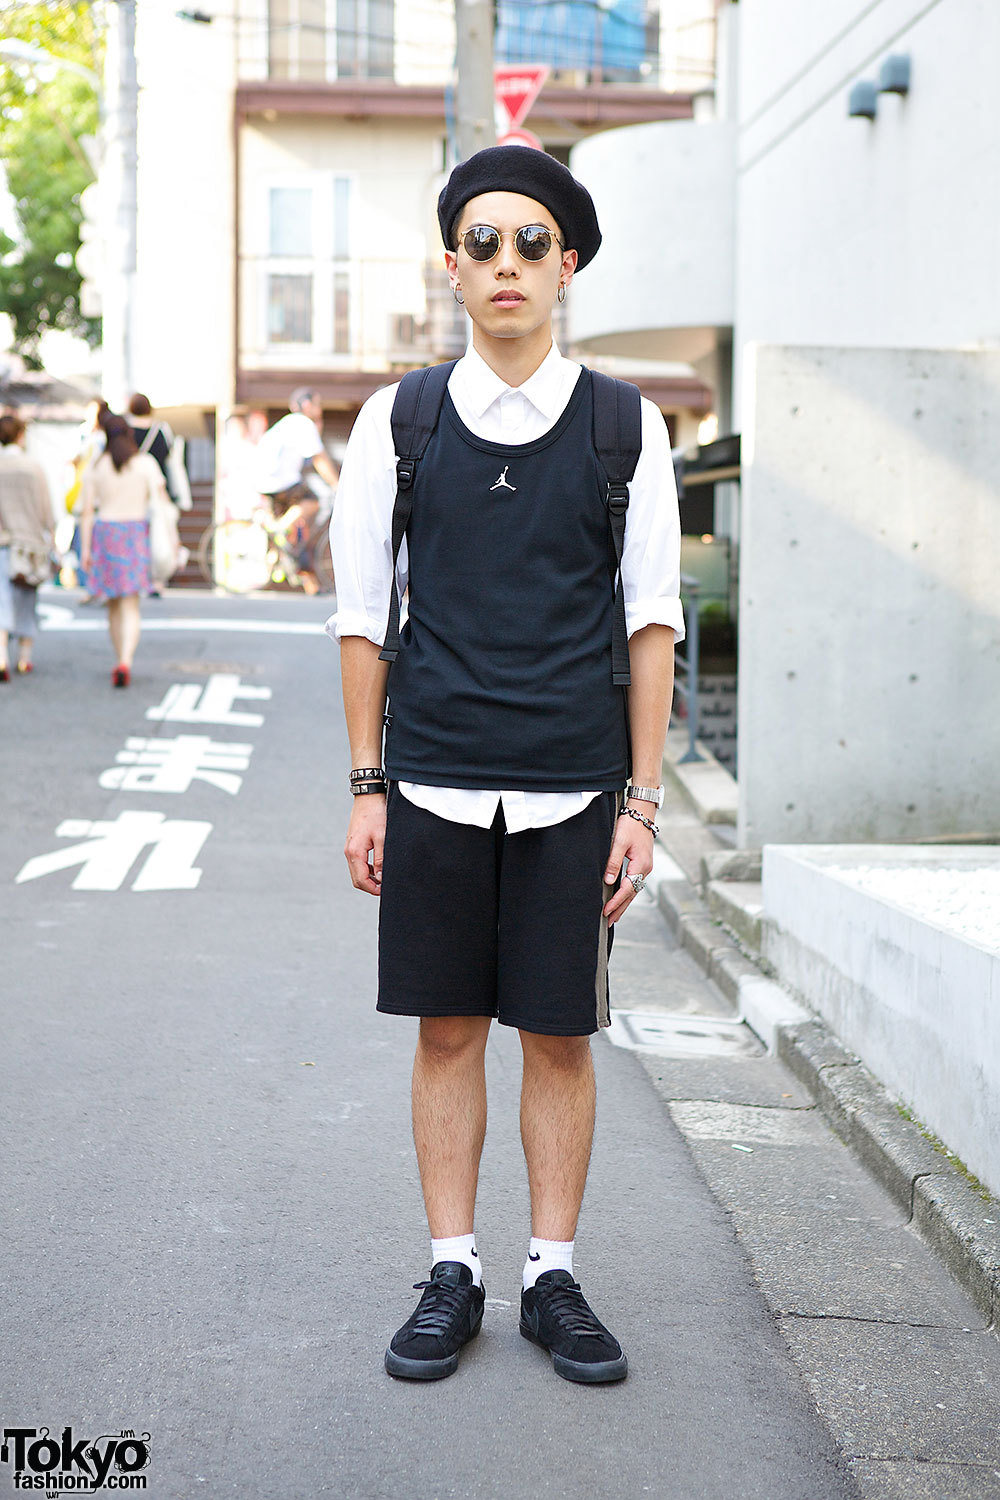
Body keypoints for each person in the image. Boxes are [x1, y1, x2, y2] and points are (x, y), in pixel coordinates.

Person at [330, 145, 684, 1385]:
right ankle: (451, 1270)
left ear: (568, 262)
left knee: (558, 1040)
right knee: (443, 1033)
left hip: (572, 786)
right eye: (481, 243)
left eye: (531, 242)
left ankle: (551, 1277)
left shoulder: (623, 426)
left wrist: (642, 800)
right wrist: (366, 781)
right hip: (429, 776)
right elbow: (364, 612)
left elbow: (651, 622)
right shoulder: (402, 419)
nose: (507, 264)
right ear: (452, 267)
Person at [79, 413, 168, 687]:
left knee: (113, 605)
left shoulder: (97, 466)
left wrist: (84, 550)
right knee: (131, 605)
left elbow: (86, 513)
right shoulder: (145, 463)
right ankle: (125, 661)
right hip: (134, 534)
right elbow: (162, 501)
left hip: (106, 534)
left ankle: (119, 656)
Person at [255, 388, 339, 593]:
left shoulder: (287, 423)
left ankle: (310, 585)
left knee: (299, 533)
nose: (320, 409)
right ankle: (280, 527)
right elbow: (319, 459)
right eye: (318, 404)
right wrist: (336, 484)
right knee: (312, 503)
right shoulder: (303, 423)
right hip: (279, 482)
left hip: (266, 482)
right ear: (308, 405)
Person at [0, 413, 55, 679]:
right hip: (29, 544)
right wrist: (52, 537)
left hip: (2, 542)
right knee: (26, 600)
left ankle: (0, 656)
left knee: (1, 601)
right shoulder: (33, 467)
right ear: (21, 435)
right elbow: (46, 509)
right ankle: (24, 658)